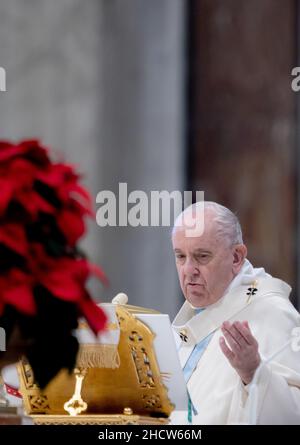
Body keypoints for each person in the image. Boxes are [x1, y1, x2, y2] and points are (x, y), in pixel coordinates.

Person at [171, 201, 300, 424]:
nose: (188, 270)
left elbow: (294, 414)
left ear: (236, 257)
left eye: (202, 256)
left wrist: (255, 374)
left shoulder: (271, 312)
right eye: (181, 256)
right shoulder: (193, 314)